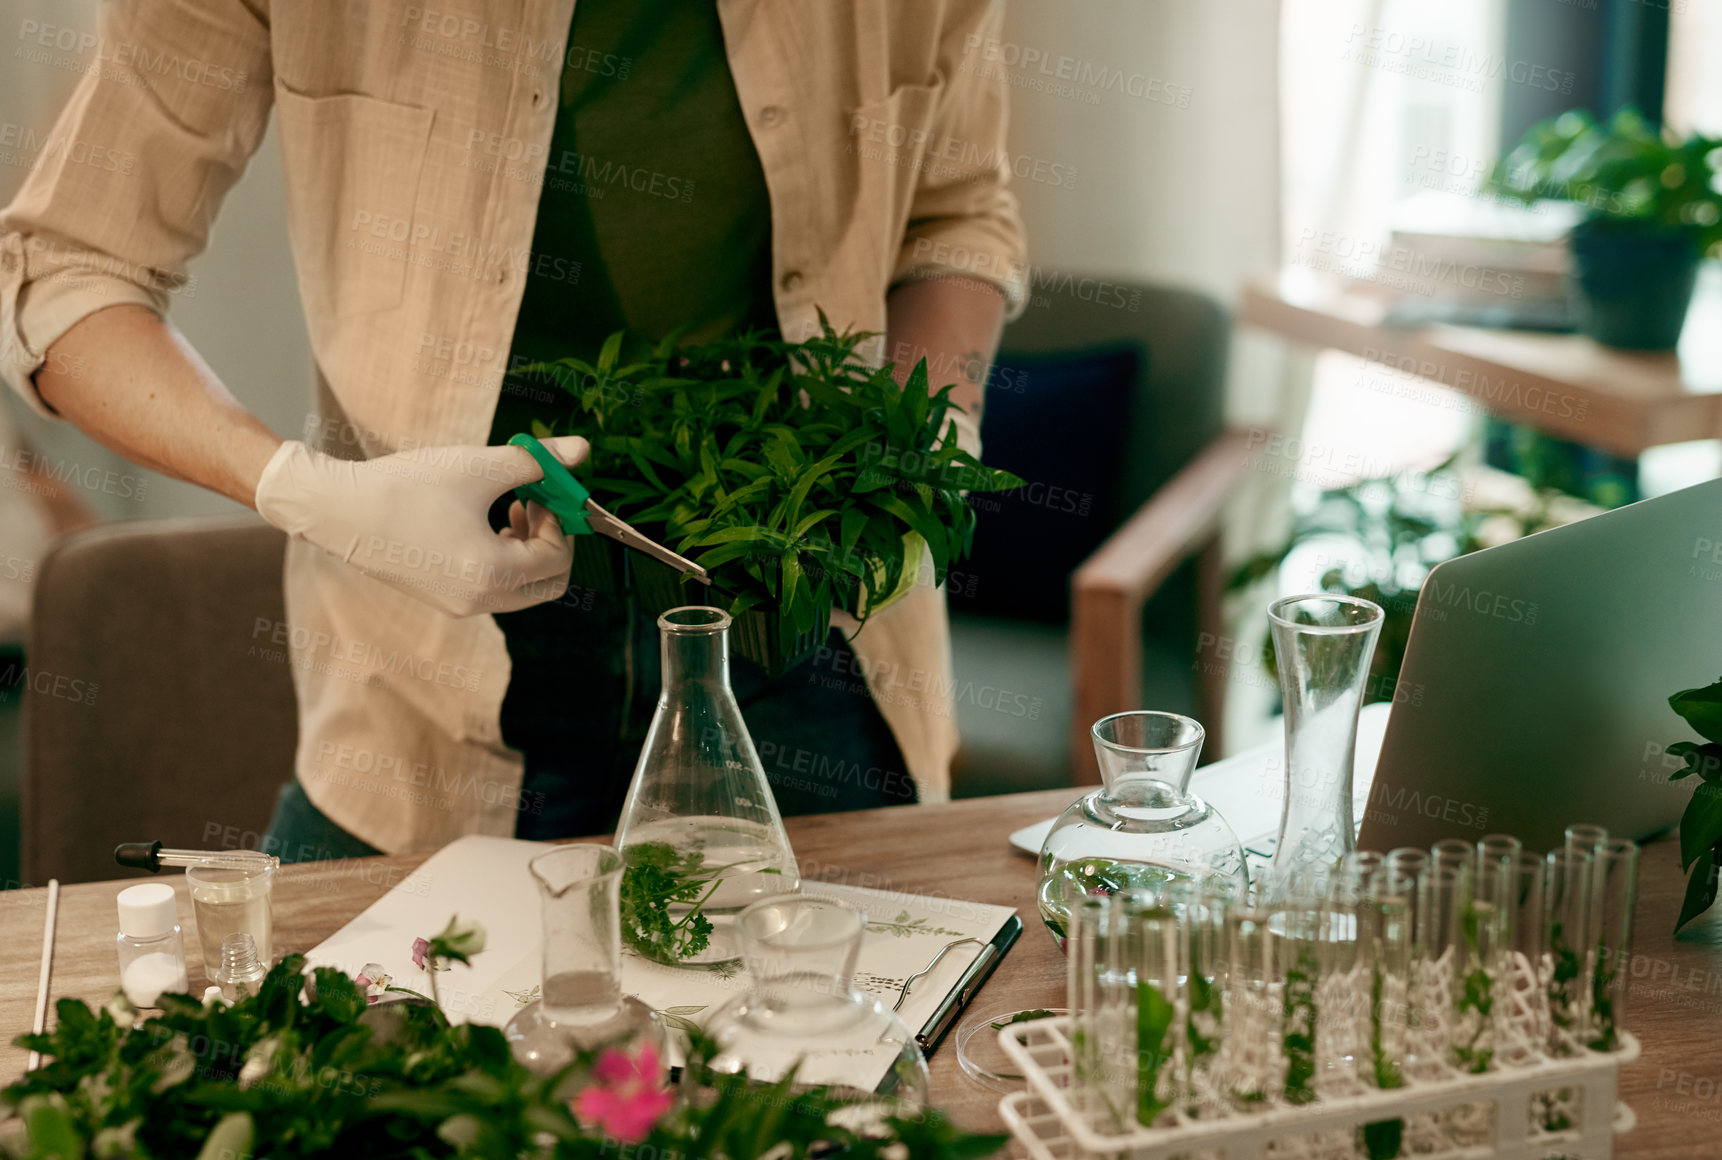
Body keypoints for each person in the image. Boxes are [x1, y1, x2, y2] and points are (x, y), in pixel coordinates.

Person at [0, 0, 1027, 860]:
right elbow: (69, 270)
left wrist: (927, 430)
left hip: (810, 627)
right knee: (376, 1071)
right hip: (427, 670)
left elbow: (959, 213)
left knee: (842, 1063)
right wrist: (308, 490)